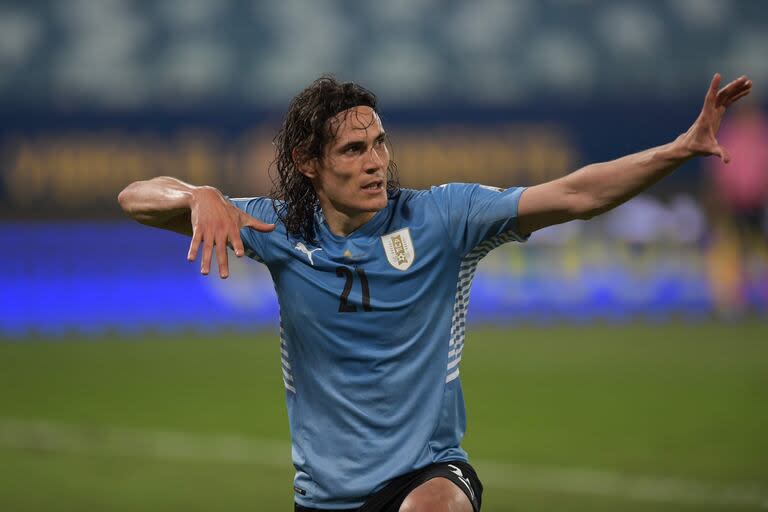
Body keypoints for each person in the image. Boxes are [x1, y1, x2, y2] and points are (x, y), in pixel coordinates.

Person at [118, 73, 752, 512]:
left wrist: (677, 149)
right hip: (324, 495)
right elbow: (134, 198)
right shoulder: (275, 228)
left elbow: (577, 194)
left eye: (381, 143)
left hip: (430, 474)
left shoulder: (445, 219)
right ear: (309, 163)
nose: (376, 161)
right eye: (354, 149)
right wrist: (199, 194)